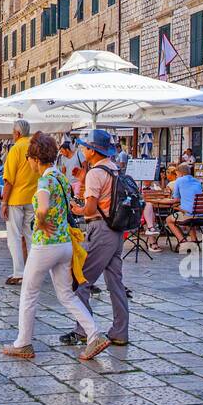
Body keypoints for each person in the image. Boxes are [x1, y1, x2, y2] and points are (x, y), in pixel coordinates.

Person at [3, 133, 111, 362]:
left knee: (29, 292)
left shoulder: (44, 180)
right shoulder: (60, 177)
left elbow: (42, 207)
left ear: (34, 158)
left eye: (29, 159)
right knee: (66, 295)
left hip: (45, 245)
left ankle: (23, 343)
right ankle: (94, 334)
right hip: (65, 245)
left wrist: (40, 221)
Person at [60, 129, 128, 351]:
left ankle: (83, 330)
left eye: (84, 146)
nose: (81, 149)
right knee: (115, 283)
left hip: (100, 228)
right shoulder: (115, 168)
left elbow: (90, 208)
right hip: (117, 229)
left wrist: (77, 208)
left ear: (92, 150)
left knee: (82, 279)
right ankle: (120, 330)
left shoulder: (95, 174)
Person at [0, 119, 42, 286]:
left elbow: (8, 180)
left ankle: (19, 272)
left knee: (14, 237)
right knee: (31, 235)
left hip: (16, 199)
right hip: (34, 198)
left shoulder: (16, 149)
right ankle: (34, 271)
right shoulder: (35, 148)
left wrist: (4, 202)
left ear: (16, 133)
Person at [165, 162, 203, 245]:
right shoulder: (197, 181)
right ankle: (194, 240)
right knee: (187, 213)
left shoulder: (179, 181)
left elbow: (176, 199)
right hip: (201, 214)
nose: (176, 176)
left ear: (180, 173)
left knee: (168, 220)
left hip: (189, 214)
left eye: (177, 174)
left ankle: (182, 241)